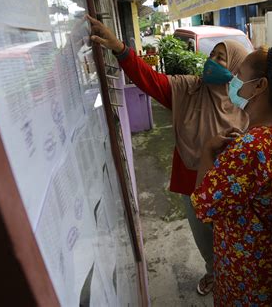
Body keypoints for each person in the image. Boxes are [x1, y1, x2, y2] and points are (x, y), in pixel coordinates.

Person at [88, 15, 250, 295]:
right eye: (212, 54)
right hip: (193, 183)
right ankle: (213, 272)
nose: (212, 61)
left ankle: (234, 277)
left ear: (235, 67)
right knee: (204, 238)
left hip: (233, 189)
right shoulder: (187, 88)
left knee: (233, 240)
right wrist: (120, 49)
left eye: (221, 57)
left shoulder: (246, 102)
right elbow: (149, 80)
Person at [191, 47, 272, 306]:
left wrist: (207, 152)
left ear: (259, 85)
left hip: (245, 271)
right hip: (271, 265)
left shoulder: (249, 148)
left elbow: (203, 206)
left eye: (239, 74)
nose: (233, 80)